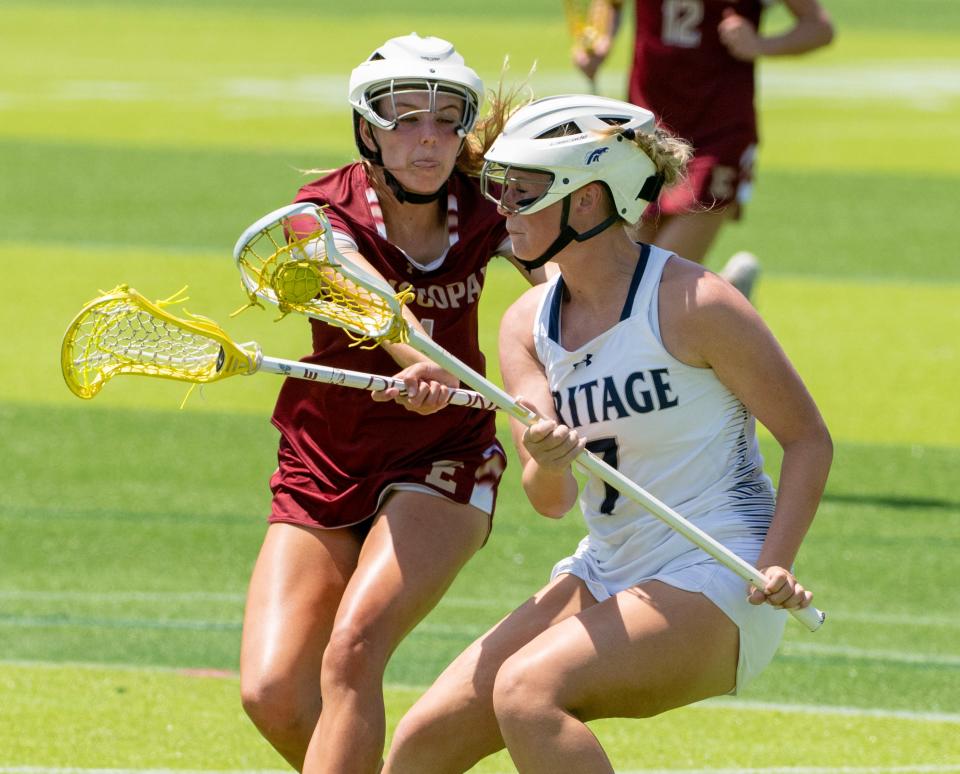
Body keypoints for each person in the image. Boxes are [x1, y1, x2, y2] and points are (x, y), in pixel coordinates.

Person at [383, 95, 832, 773]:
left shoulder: (697, 305)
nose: (504, 210)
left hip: (719, 572)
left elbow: (808, 440)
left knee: (529, 693)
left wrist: (777, 560)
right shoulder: (528, 324)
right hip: (608, 567)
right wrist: (549, 459)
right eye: (503, 191)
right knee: (421, 744)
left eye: (526, 194)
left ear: (588, 202)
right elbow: (550, 501)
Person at [237, 33, 542, 774]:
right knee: (274, 692)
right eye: (404, 118)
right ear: (367, 130)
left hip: (446, 455)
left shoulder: (487, 206)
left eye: (445, 119)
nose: (428, 139)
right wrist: (418, 362)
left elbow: (559, 288)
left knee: (355, 649)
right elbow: (380, 312)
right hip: (325, 456)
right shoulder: (317, 220)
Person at [572, 0, 834, 298]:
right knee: (620, 278)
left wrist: (760, 44)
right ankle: (725, 295)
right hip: (648, 132)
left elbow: (819, 28)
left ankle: (720, 303)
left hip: (718, 134)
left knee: (650, 289)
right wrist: (602, 40)